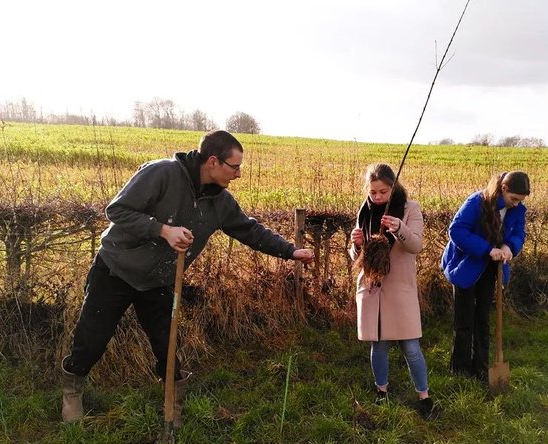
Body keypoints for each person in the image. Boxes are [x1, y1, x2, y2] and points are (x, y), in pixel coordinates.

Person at [61, 130, 313, 425]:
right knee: (92, 339)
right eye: (235, 167)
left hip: (158, 280)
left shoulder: (220, 202)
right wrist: (163, 230)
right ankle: (72, 392)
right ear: (213, 162)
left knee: (167, 344)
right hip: (116, 268)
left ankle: (172, 406)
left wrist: (290, 252)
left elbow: (249, 230)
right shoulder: (162, 174)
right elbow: (117, 210)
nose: (239, 174)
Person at [350, 163, 434, 419]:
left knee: (410, 346)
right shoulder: (364, 212)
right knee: (379, 345)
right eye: (373, 192)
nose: (377, 198)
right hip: (372, 289)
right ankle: (381, 391)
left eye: (383, 192)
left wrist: (399, 228)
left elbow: (416, 245)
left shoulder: (410, 209)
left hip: (400, 289)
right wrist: (356, 245)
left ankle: (424, 397)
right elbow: (357, 257)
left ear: (393, 187)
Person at [441, 171, 531, 381]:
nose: (516, 204)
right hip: (465, 266)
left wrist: (510, 246)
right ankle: (460, 369)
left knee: (483, 319)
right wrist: (487, 250)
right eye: (514, 199)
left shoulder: (517, 210)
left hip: (492, 268)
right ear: (504, 189)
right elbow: (456, 231)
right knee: (464, 321)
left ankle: (480, 369)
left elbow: (519, 233)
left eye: (521, 200)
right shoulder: (477, 202)